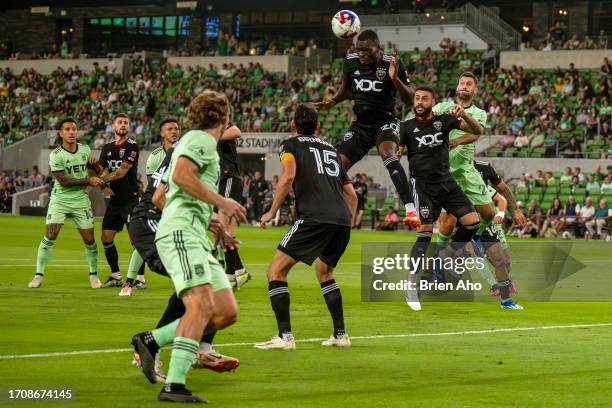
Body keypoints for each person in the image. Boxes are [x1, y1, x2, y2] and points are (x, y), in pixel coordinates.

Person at [131, 90, 247, 403]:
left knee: (225, 311)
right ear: (223, 119)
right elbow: (182, 176)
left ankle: (151, 340)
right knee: (201, 307)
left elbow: (170, 193)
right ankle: (175, 386)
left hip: (195, 232)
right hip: (181, 234)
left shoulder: (193, 140)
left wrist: (214, 222)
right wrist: (223, 202)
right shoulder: (203, 140)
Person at [255, 103, 357, 350]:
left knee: (275, 272)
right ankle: (341, 335)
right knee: (325, 272)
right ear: (318, 126)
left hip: (314, 218)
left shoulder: (290, 145)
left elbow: (288, 176)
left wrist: (272, 210)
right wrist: (347, 223)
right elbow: (352, 195)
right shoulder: (332, 150)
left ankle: (285, 338)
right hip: (342, 220)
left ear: (293, 125)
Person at [313, 29, 420, 227]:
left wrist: (395, 80)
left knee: (388, 153)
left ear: (377, 49)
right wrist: (333, 101)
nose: (361, 54)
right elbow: (345, 89)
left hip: (385, 121)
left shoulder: (392, 62)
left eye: (365, 50)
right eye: (358, 50)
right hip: (361, 124)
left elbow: (410, 99)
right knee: (336, 164)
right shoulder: (351, 60)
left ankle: (411, 209)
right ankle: (324, 209)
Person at [397, 86, 485, 311]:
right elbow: (395, 150)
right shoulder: (406, 127)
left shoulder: (444, 120)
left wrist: (464, 114)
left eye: (424, 98)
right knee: (424, 235)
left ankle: (445, 256)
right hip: (423, 186)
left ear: (433, 101)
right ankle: (410, 286)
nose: (419, 102)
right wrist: (395, 154)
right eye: (417, 98)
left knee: (472, 223)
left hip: (447, 182)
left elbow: (478, 131)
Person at [28, 118, 104, 288]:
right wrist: (89, 180)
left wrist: (95, 168)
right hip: (60, 199)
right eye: (67, 129)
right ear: (61, 133)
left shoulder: (85, 149)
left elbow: (90, 171)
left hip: (80, 200)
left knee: (89, 238)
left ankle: (93, 275)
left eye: (74, 129)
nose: (71, 132)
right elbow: (63, 181)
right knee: (51, 234)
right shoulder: (55, 155)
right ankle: (38, 275)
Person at [432, 72, 496, 256]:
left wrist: (457, 141)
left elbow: (477, 133)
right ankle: (441, 258)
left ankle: (471, 239)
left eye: (469, 84)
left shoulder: (479, 113)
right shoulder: (442, 107)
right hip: (445, 173)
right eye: (462, 83)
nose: (464, 86)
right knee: (445, 226)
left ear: (474, 90)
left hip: (467, 171)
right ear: (457, 87)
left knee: (489, 214)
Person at [120, 118, 180, 296]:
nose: (173, 131)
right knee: (143, 244)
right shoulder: (155, 157)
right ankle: (129, 283)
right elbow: (152, 185)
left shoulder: (183, 153)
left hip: (172, 203)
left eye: (176, 128)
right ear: (162, 133)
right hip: (157, 205)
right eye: (169, 129)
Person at [89, 114, 141, 288]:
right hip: (115, 200)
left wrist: (101, 180)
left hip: (131, 199)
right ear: (113, 126)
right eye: (120, 122)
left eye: (126, 122)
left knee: (135, 239)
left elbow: (121, 173)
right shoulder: (107, 147)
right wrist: (99, 179)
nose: (123, 125)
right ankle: (116, 276)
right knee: (106, 237)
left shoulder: (132, 146)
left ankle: (140, 279)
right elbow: (102, 171)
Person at [217, 122, 250, 288]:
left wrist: (211, 137)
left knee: (223, 227)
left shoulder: (221, 125)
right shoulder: (203, 130)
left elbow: (237, 131)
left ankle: (231, 274)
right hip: (220, 181)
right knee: (224, 228)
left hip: (229, 177)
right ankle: (238, 270)